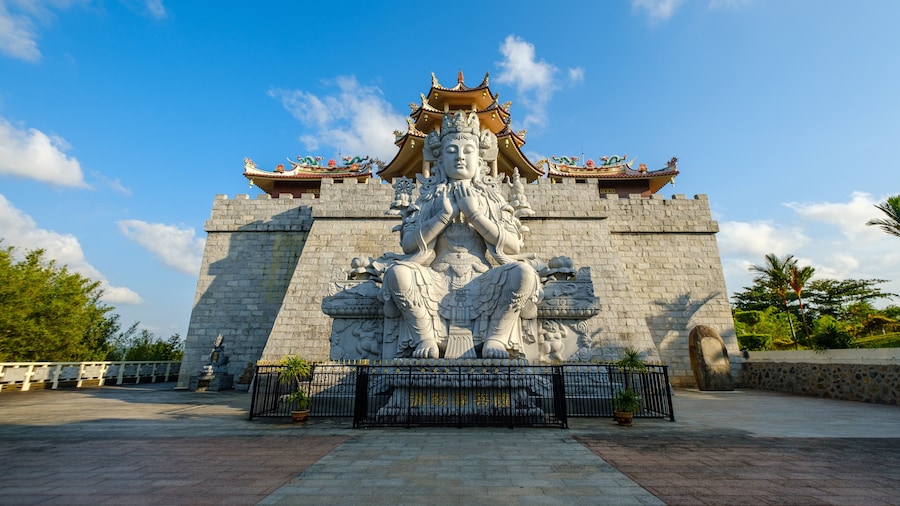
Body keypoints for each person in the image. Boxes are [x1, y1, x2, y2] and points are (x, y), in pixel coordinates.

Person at [381, 111, 542, 359]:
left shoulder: (491, 198)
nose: (459, 157)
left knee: (523, 273)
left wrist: (475, 215)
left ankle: (496, 339)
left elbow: (512, 246)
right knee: (398, 273)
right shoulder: (430, 198)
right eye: (451, 151)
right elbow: (408, 244)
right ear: (439, 157)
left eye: (467, 150)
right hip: (435, 278)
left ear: (479, 159)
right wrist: (442, 217)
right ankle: (425, 338)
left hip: (483, 278)